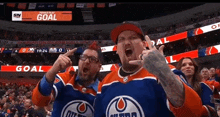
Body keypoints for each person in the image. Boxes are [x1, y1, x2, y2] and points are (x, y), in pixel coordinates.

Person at [94, 21, 218, 117]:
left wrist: (163, 72)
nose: (126, 42)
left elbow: (193, 111)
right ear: (116, 49)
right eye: (121, 39)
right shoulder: (106, 82)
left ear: (144, 44)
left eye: (132, 38)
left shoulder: (166, 71)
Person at [32, 41, 102, 117]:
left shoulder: (103, 92)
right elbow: (39, 101)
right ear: (79, 61)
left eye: (92, 59)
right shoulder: (65, 79)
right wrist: (52, 71)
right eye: (83, 57)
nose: (87, 61)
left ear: (99, 67)